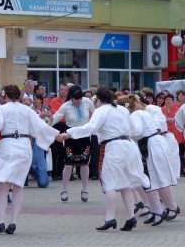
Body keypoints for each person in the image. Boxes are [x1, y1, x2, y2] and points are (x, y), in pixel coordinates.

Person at [57, 87, 150, 231]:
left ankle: (110, 218)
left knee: (109, 183)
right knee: (125, 182)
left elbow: (90, 128)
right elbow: (133, 131)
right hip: (129, 146)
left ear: (98, 100)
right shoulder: (123, 109)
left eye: (95, 100)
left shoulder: (101, 110)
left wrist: (68, 134)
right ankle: (130, 216)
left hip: (113, 146)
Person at [0, 85, 59, 235]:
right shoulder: (27, 110)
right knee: (18, 186)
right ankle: (13, 222)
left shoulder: (1, 109)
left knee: (3, 187)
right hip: (25, 146)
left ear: (5, 96)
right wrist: (56, 135)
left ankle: (0, 221)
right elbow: (39, 126)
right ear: (19, 96)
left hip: (8, 145)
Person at [118, 95, 180, 226]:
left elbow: (138, 131)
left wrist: (125, 133)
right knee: (151, 179)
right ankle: (156, 210)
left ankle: (161, 210)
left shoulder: (137, 114)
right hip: (149, 144)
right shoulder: (140, 113)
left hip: (152, 144)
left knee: (154, 178)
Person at [50, 85, 94, 202]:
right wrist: (46, 121)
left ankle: (85, 189)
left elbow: (96, 115)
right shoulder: (66, 106)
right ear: (71, 97)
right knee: (68, 164)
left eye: (80, 98)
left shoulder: (88, 102)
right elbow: (54, 119)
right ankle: (64, 189)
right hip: (70, 137)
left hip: (84, 136)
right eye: (76, 99)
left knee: (84, 163)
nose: (78, 101)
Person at [49, 83, 69, 181]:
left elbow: (68, 114)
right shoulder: (53, 101)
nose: (63, 92)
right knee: (55, 150)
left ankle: (62, 172)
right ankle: (54, 173)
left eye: (65, 90)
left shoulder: (69, 101)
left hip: (67, 125)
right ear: (58, 90)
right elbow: (55, 113)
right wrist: (64, 115)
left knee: (64, 150)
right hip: (57, 125)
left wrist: (63, 115)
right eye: (62, 89)